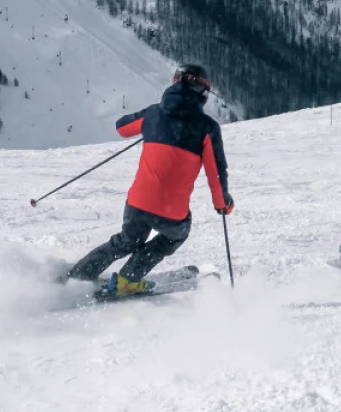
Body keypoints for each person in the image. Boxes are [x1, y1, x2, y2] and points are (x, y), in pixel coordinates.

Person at [66, 65, 232, 296]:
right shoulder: (207, 128)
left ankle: (79, 275)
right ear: (203, 94)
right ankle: (128, 280)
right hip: (172, 212)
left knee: (126, 241)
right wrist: (222, 203)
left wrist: (150, 124)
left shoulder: (153, 114)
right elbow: (215, 174)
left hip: (138, 203)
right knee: (175, 236)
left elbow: (121, 128)